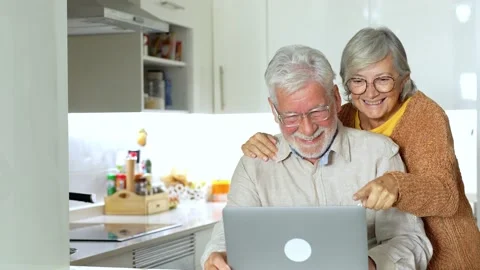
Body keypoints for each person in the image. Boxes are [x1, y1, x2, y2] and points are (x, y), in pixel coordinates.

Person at [240, 27, 480, 269]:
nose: (371, 91)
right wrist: (267, 141)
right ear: (344, 86)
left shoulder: (426, 115)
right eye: (358, 81)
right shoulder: (344, 114)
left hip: (447, 256)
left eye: (383, 79)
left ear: (404, 80)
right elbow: (310, 126)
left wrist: (397, 186)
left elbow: (447, 196)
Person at [201, 45, 432, 270]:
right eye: (291, 116)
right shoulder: (254, 164)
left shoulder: (379, 155)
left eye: (317, 111)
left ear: (335, 98)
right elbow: (227, 237)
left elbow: (413, 242)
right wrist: (217, 256)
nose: (308, 129)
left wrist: (372, 265)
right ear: (274, 110)